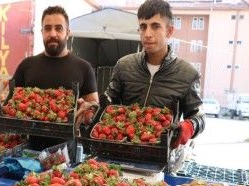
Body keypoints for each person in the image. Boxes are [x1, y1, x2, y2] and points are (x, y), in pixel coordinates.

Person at [80, 0, 205, 148]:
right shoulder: (124, 65)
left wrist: (189, 127)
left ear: (169, 31)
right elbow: (109, 102)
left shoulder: (188, 74)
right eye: (143, 27)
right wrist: (93, 108)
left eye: (155, 26)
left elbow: (199, 116)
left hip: (161, 154)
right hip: (122, 150)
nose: (147, 34)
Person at [12, 6, 99, 158]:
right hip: (27, 150)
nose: (53, 34)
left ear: (68, 32)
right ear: (42, 32)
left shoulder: (84, 67)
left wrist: (87, 109)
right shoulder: (26, 65)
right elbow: (11, 101)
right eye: (48, 28)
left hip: (66, 151)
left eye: (59, 28)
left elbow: (94, 107)